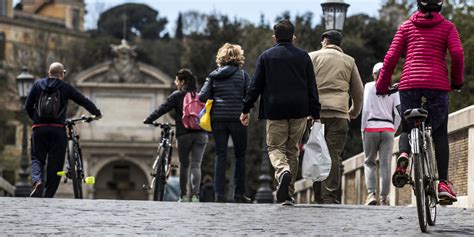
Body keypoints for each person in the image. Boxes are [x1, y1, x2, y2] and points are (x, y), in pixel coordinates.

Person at [376, 0, 464, 204]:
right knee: (439, 132)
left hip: (409, 85)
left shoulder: (406, 26)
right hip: (438, 86)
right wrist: (456, 81)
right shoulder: (448, 27)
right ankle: (443, 183)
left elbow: (390, 58)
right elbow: (458, 54)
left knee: (407, 126)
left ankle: (404, 156)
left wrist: (382, 86)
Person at [241, 20, 321, 206]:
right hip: (300, 110)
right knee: (292, 149)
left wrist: (246, 109)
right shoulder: (303, 57)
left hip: (275, 109)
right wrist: (315, 113)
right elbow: (312, 87)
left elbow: (255, 87)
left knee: (275, 147)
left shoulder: (266, 56)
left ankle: (282, 170)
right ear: (293, 37)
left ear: (274, 37)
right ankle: (288, 194)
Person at [25, 62, 102, 198]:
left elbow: (27, 106)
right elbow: (83, 100)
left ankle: (37, 181)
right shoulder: (65, 87)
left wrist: (37, 120)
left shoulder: (37, 85)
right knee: (55, 164)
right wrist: (96, 113)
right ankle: (48, 195)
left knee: (37, 158)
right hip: (58, 130)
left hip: (39, 129)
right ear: (62, 74)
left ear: (49, 73)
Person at [308, 30, 364, 204]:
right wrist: (353, 111)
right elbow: (358, 90)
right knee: (333, 154)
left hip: (316, 113)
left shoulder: (312, 57)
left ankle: (317, 194)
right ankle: (330, 195)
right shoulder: (349, 61)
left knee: (316, 153)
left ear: (325, 41)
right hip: (339, 113)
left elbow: (304, 85)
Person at [144, 69, 209, 202]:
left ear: (182, 81)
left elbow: (162, 109)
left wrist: (149, 119)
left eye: (177, 80)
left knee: (184, 165)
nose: (175, 82)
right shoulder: (201, 95)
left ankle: (184, 195)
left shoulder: (177, 95)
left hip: (184, 134)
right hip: (201, 133)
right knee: (196, 165)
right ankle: (196, 196)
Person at [199, 43, 251, 203]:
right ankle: (239, 194)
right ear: (238, 56)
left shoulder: (213, 76)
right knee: (240, 155)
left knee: (220, 155)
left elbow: (202, 96)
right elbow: (250, 95)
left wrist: (215, 98)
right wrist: (246, 110)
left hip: (218, 119)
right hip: (238, 117)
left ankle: (219, 195)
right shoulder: (243, 75)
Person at [361, 62, 401, 206]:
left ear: (374, 74)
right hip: (388, 128)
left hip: (371, 126)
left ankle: (371, 194)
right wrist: (393, 129)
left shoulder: (369, 86)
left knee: (369, 162)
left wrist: (363, 128)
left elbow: (365, 109)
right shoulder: (394, 88)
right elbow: (398, 113)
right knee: (385, 164)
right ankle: (385, 198)